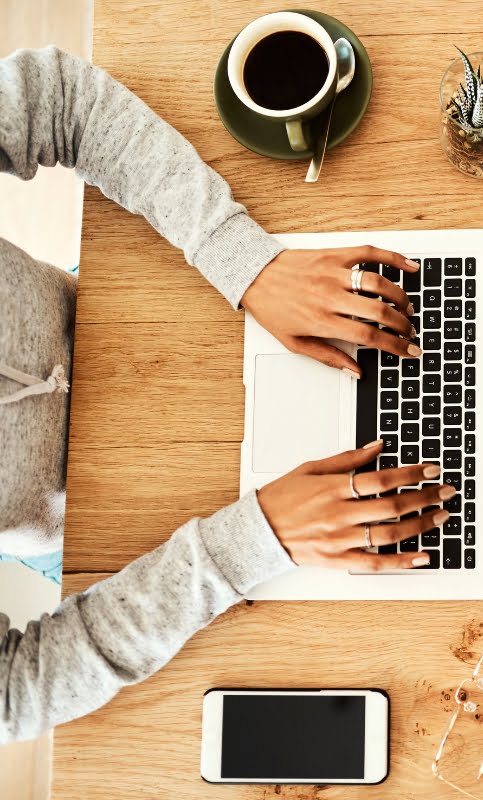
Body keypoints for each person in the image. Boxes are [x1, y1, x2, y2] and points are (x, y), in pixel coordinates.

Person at [0, 46, 450, 743]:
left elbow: (57, 99)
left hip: (139, 303)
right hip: (120, 534)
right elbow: (14, 691)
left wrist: (244, 259)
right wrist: (244, 549)